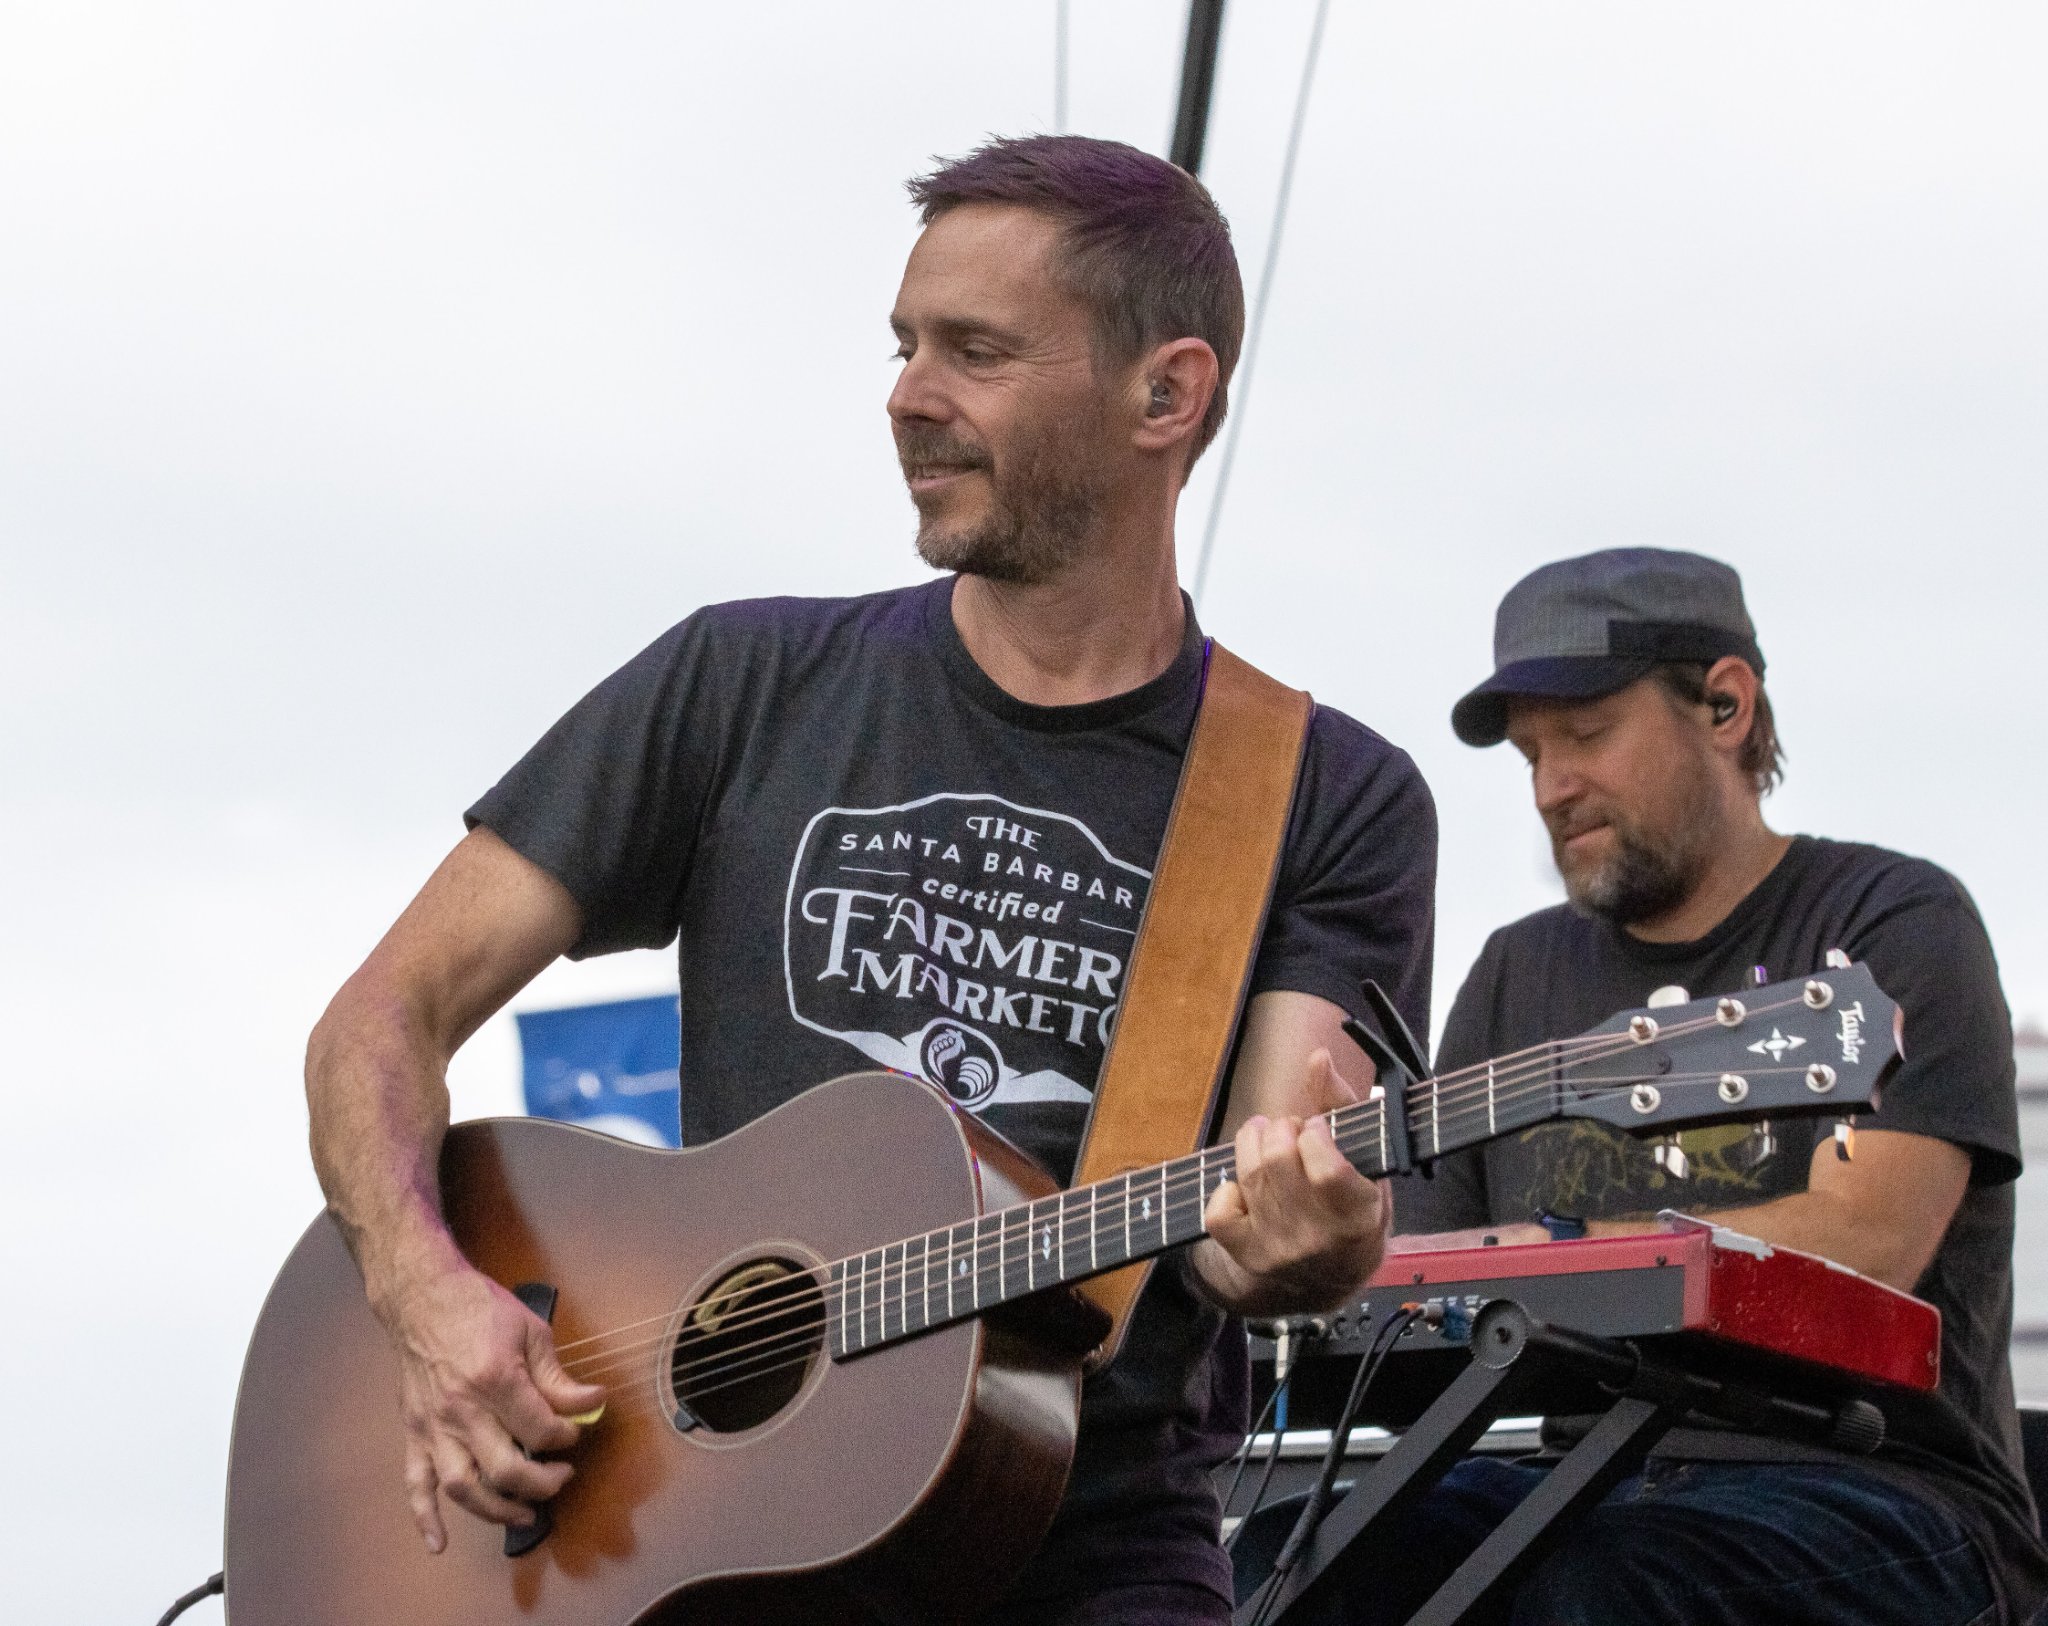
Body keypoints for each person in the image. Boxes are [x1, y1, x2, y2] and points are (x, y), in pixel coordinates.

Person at [302, 134, 1437, 1626]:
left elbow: (1266, 1203)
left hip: (1078, 1530)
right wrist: (430, 1297)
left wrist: (1320, 1239)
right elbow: (379, 1019)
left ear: (1166, 395)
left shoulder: (1320, 793)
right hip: (695, 1517)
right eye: (904, 345)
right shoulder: (746, 679)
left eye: (975, 351)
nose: (907, 395)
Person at [1328, 547, 2046, 1625]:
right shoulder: (1512, 971)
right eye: (1527, 755)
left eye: (1583, 736)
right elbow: (1430, 1292)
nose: (1548, 787)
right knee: (1301, 1566)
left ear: (1722, 705)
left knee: (1596, 1591)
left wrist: (1555, 1262)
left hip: (1872, 1485)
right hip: (1565, 1477)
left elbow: (1869, 1243)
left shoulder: (1894, 922)